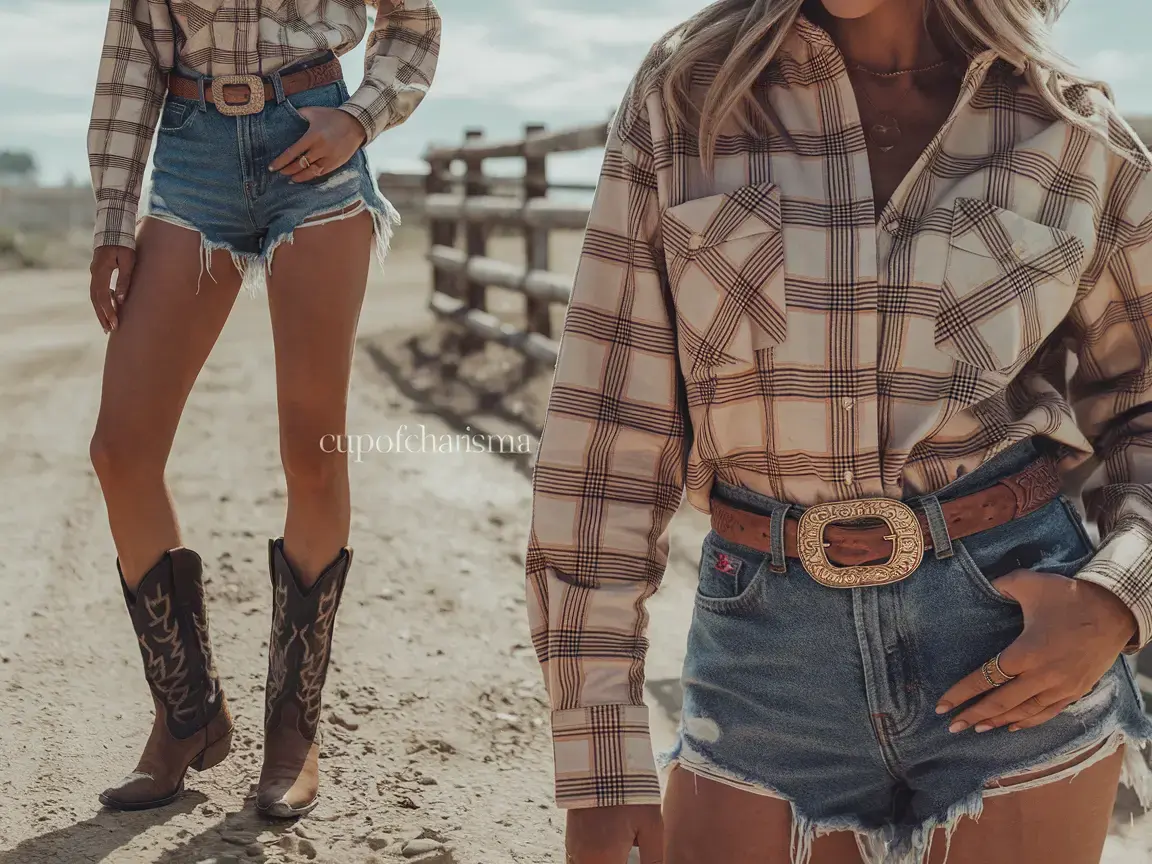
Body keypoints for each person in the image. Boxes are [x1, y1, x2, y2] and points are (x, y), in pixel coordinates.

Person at [525, 0, 1152, 861]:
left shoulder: (1069, 127)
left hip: (1012, 632)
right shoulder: (688, 98)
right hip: (764, 648)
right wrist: (600, 755)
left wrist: (1120, 596)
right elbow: (608, 433)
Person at [86, 0, 439, 817]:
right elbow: (131, 47)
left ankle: (292, 734)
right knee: (120, 449)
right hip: (190, 155)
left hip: (312, 142)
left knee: (311, 449)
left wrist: (360, 118)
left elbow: (413, 21)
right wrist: (112, 216)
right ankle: (188, 716)